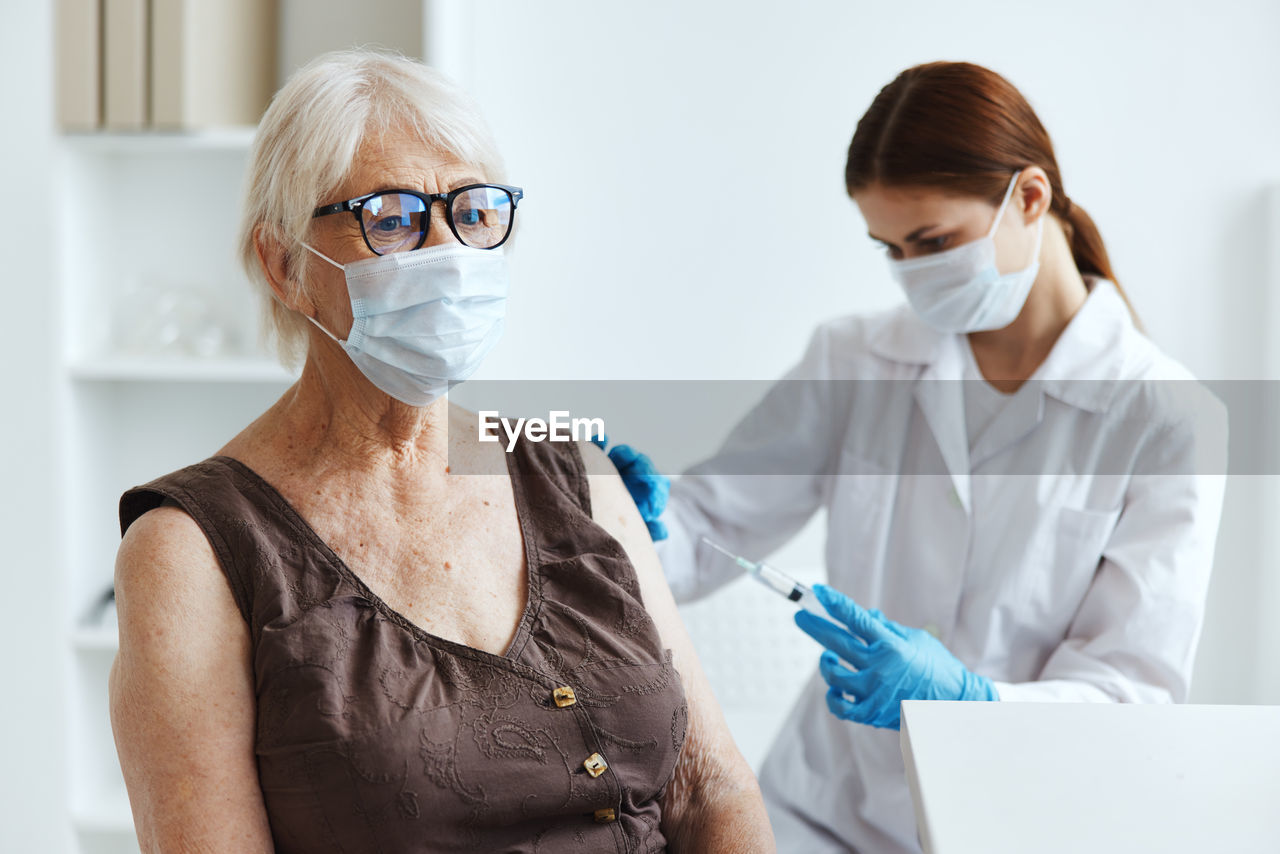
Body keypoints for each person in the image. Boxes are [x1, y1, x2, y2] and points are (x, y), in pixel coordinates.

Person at [108, 50, 774, 854]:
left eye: (474, 211)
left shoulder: (575, 474)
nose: (448, 254)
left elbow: (713, 793)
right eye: (390, 219)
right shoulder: (191, 551)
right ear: (284, 266)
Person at [641, 61, 1227, 853]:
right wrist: (630, 521)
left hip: (1022, 823)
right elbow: (710, 526)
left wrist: (972, 701)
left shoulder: (1168, 418)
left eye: (934, 242)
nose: (913, 275)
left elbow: (1132, 693)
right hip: (824, 815)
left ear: (1029, 197)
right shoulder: (854, 358)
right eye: (890, 247)